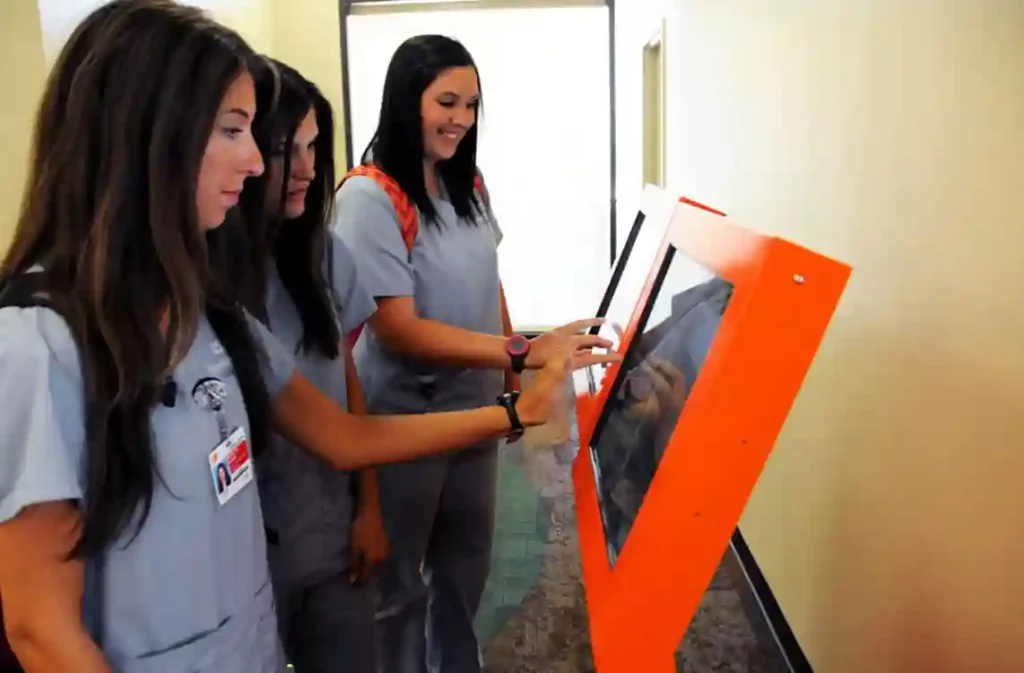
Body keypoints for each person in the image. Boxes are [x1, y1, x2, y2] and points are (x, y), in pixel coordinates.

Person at [0, 4, 610, 673]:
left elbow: (345, 435)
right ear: (147, 134)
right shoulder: (37, 344)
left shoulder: (209, 312)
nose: (259, 160)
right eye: (233, 129)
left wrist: (514, 410)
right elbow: (40, 629)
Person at [333, 34, 607, 673]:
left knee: (463, 573)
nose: (460, 119)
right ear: (409, 101)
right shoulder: (369, 197)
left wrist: (513, 372)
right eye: (447, 102)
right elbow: (400, 328)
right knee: (397, 586)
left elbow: (491, 281)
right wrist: (528, 350)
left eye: (472, 105)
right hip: (407, 422)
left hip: (478, 416)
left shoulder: (469, 183)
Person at [235, 57, 386, 672]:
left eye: (313, 147)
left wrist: (370, 508)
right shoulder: (202, 281)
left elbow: (346, 380)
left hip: (327, 531)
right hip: (246, 560)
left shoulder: (322, 254)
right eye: (284, 149)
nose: (306, 169)